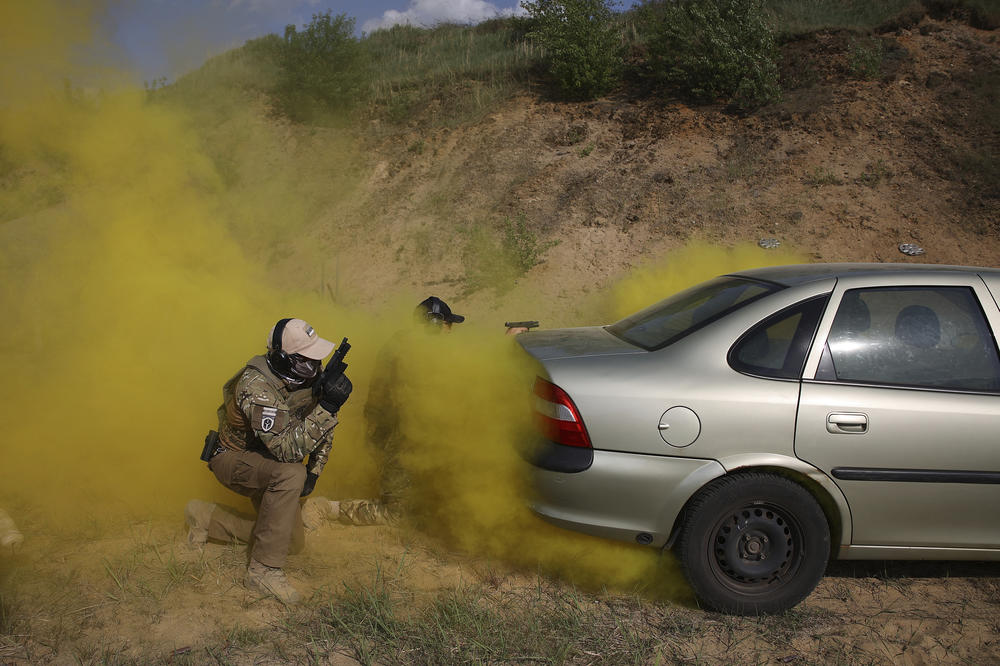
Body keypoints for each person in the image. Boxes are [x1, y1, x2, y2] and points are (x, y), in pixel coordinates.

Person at [185, 317, 352, 604]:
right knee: (290, 474)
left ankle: (205, 517)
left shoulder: (305, 376)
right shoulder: (256, 386)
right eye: (306, 361)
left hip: (267, 460)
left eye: (315, 360)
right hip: (233, 459)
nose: (314, 368)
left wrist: (315, 471)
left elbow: (323, 426)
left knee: (292, 543)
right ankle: (263, 571)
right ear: (283, 359)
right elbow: (288, 451)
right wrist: (326, 408)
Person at [310, 297, 465, 527]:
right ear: (434, 325)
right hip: (400, 441)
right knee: (397, 514)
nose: (450, 332)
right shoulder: (414, 354)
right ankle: (326, 508)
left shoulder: (405, 344)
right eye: (448, 325)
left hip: (398, 436)